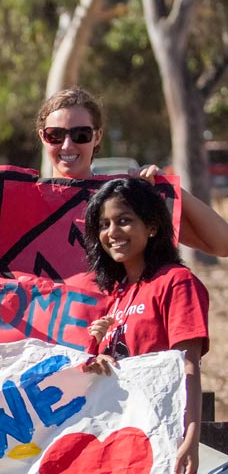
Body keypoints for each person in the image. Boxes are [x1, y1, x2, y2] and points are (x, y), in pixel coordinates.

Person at [80, 178, 208, 474]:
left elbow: (187, 368)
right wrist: (95, 354)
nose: (112, 233)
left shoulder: (177, 282)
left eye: (124, 221)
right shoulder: (114, 295)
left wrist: (190, 437)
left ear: (151, 227)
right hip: (116, 444)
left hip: (161, 440)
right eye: (104, 224)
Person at [37, 86, 228, 257]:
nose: (67, 145)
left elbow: (222, 245)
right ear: (42, 137)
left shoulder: (130, 199)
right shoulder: (24, 201)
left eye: (81, 135)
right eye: (55, 135)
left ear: (97, 136)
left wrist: (169, 188)